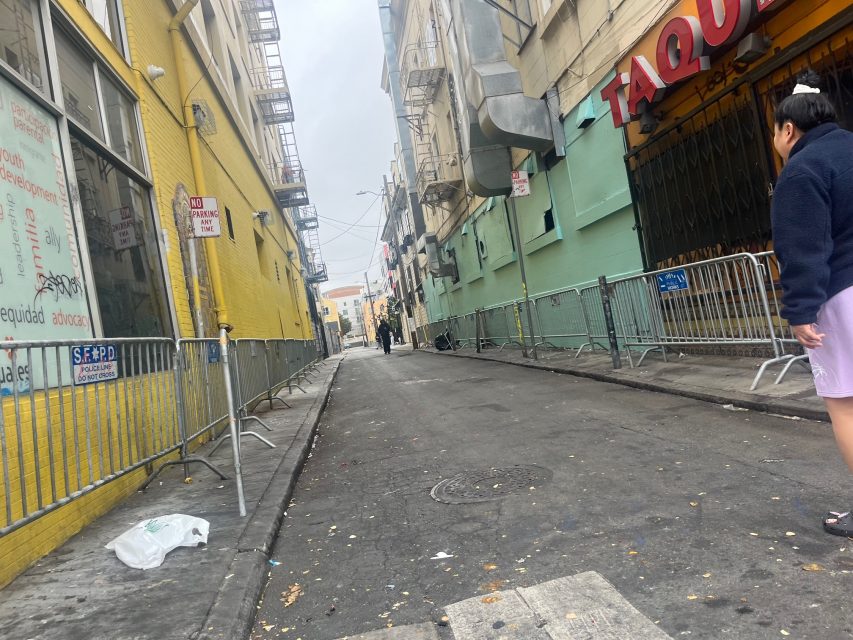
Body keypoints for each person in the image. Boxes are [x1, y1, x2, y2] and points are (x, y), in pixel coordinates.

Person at [771, 70, 853, 536]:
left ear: (788, 129)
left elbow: (802, 248)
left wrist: (800, 311)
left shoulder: (802, 170)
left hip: (843, 293)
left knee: (845, 404)